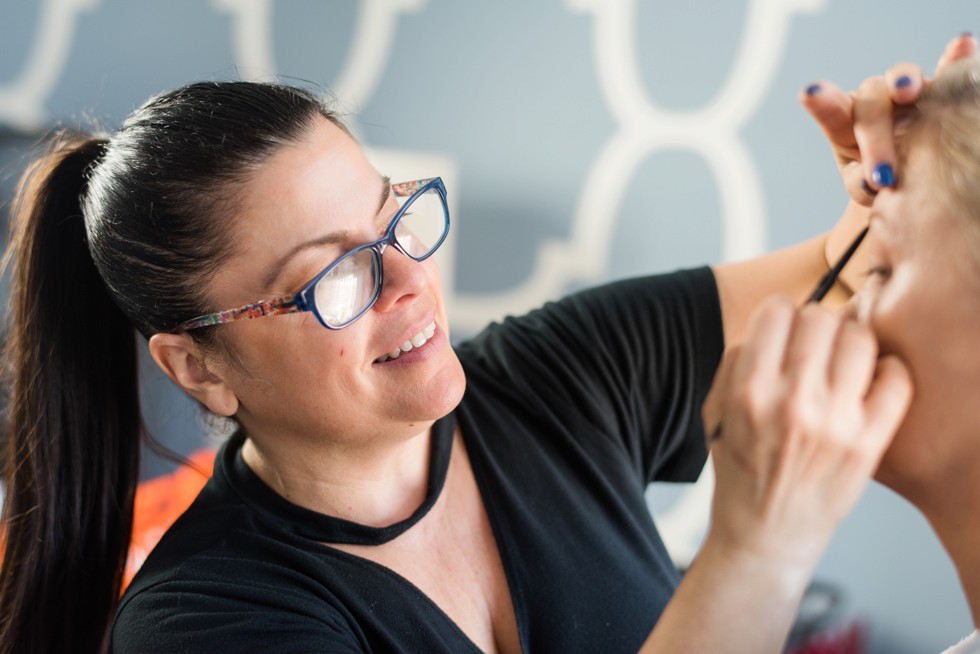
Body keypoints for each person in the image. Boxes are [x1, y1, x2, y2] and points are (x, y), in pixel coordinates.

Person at [0, 38, 970, 654]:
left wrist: (892, 186)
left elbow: (856, 279)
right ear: (196, 365)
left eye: (396, 220)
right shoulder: (204, 623)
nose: (409, 283)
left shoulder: (554, 382)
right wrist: (755, 553)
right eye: (332, 276)